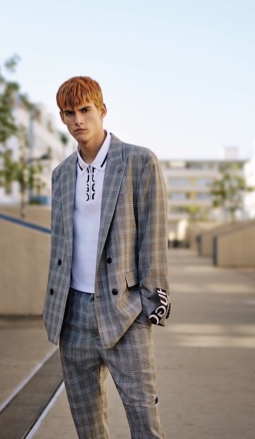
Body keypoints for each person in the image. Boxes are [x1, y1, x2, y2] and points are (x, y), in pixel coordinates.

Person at [43, 76, 171, 438]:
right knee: (89, 429)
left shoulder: (138, 161)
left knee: (144, 421)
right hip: (73, 314)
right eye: (69, 113)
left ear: (102, 111)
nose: (77, 120)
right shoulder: (62, 174)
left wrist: (152, 305)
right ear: (62, 118)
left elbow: (154, 236)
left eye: (85, 110)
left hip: (125, 311)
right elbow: (60, 246)